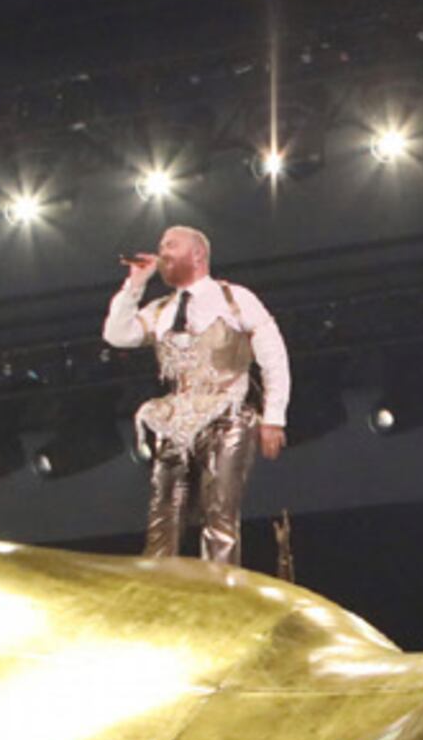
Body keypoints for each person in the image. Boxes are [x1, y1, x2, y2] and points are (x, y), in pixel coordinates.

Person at [105, 225, 291, 569]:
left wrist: (274, 416)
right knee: (164, 508)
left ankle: (220, 590)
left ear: (197, 254)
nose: (163, 251)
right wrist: (135, 284)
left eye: (171, 245)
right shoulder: (161, 309)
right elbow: (117, 334)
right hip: (177, 418)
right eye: (161, 245)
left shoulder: (234, 298)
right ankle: (159, 587)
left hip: (228, 410)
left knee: (219, 511)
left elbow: (273, 355)